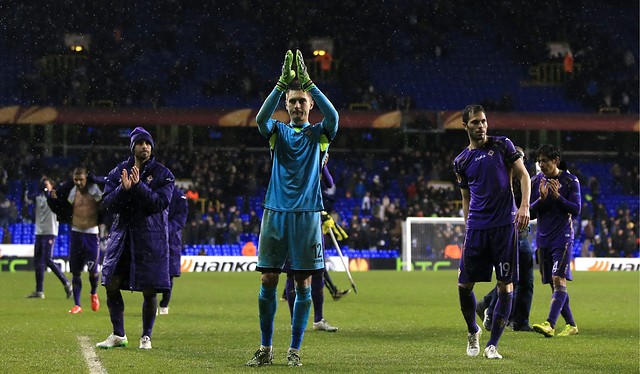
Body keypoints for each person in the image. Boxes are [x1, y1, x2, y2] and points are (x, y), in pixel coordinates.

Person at [245, 49, 338, 367]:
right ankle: (266, 348)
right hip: (275, 212)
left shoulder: (319, 135)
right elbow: (260, 120)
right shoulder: (278, 132)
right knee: (268, 280)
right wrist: (280, 85)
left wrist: (309, 84)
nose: (298, 105)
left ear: (310, 104)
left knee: (303, 284)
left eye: (302, 101)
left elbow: (335, 118)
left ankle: (294, 351)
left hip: (308, 216)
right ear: (286, 106)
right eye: (292, 101)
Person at [453, 104, 530, 359]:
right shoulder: (461, 161)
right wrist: (467, 225)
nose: (481, 126)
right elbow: (466, 197)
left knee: (506, 286)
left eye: (483, 121)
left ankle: (492, 345)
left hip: (504, 227)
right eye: (475, 122)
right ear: (465, 126)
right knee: (464, 286)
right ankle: (473, 331)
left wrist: (524, 207)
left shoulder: (502, 145)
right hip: (476, 228)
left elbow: (524, 176)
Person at [96, 127, 175, 350]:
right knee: (111, 284)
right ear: (132, 147)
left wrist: (138, 186)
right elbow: (108, 204)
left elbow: (159, 204)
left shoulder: (163, 174)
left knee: (150, 289)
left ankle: (146, 336)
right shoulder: (118, 172)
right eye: (140, 143)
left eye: (148, 143)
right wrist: (124, 189)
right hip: (123, 237)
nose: (144, 147)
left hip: (151, 238)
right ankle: (118, 334)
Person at [282, 160, 350, 333]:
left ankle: (318, 319)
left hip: (313, 223)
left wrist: (323, 164)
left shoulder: (314, 162)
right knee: (292, 273)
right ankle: (294, 321)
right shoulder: (291, 162)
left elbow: (329, 183)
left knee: (318, 271)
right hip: (294, 220)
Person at [476, 146, 535, 332]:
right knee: (511, 279)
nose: (521, 162)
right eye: (518, 158)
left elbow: (530, 210)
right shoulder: (501, 181)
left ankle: (519, 321)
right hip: (507, 233)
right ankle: (492, 312)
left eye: (522, 159)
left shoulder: (526, 181)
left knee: (526, 280)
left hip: (523, 233)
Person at [530, 144, 581, 338]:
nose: (541, 164)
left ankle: (550, 324)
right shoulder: (536, 181)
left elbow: (576, 210)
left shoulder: (570, 181)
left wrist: (558, 197)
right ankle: (571, 324)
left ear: (556, 160)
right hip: (543, 240)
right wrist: (541, 200)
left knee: (558, 280)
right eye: (539, 161)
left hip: (563, 238)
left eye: (545, 161)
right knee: (554, 285)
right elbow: (531, 213)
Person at [47, 167, 104, 314]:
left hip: (92, 234)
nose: (78, 182)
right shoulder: (71, 192)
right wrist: (54, 199)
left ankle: (93, 292)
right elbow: (63, 206)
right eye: (76, 179)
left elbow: (105, 203)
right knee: (76, 272)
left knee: (93, 272)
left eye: (81, 179)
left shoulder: (94, 190)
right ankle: (77, 304)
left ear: (86, 178)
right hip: (76, 233)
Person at [25, 176, 73, 299]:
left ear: (52, 185)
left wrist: (48, 192)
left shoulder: (54, 196)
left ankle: (67, 284)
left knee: (47, 259)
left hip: (50, 231)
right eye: (43, 184)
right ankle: (39, 291)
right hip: (39, 232)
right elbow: (27, 198)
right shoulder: (38, 196)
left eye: (47, 184)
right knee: (38, 261)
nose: (45, 186)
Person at [158, 186, 188, 315]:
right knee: (152, 271)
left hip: (172, 239)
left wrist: (167, 229)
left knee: (169, 274)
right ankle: (152, 303)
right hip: (155, 236)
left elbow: (181, 218)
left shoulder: (179, 196)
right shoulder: (155, 191)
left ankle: (164, 303)